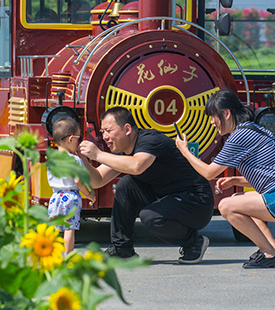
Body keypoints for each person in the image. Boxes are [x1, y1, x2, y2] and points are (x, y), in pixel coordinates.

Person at [175, 89, 275, 269]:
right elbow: (272, 176)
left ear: (226, 113)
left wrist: (184, 151)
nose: (211, 122)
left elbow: (209, 172)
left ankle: (269, 252)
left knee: (226, 206)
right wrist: (235, 180)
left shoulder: (239, 136)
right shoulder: (256, 129)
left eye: (213, 116)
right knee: (238, 200)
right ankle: (272, 250)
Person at [79, 107, 214, 262]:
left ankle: (194, 243)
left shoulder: (150, 139)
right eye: (102, 132)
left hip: (196, 202)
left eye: (108, 131)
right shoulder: (123, 149)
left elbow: (137, 166)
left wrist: (98, 154)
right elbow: (98, 180)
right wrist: (82, 161)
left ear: (127, 129)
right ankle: (122, 249)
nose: (105, 137)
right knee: (126, 186)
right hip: (168, 198)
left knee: (150, 217)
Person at [48, 117, 97, 254]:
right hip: (71, 197)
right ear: (70, 139)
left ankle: (52, 254)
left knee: (55, 228)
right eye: (78, 139)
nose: (78, 142)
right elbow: (77, 181)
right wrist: (89, 194)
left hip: (55, 197)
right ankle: (67, 256)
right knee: (69, 229)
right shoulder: (75, 160)